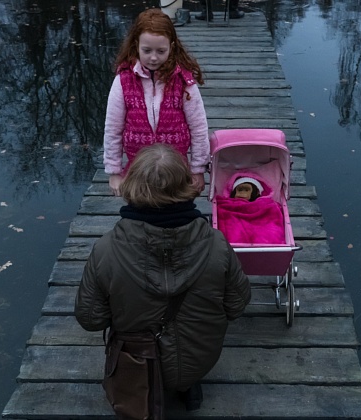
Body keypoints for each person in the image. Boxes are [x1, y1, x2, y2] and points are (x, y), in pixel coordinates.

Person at [75, 144, 252, 412]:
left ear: (132, 186)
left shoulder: (105, 250)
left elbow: (90, 319)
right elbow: (237, 305)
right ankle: (187, 385)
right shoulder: (217, 244)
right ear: (186, 186)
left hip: (138, 361)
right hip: (201, 360)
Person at [103, 9, 208, 197]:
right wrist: (114, 172)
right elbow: (113, 128)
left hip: (176, 170)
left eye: (161, 51)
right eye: (147, 50)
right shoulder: (123, 81)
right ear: (136, 45)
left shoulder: (184, 81)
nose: (153, 57)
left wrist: (198, 168)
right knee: (138, 210)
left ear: (172, 47)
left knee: (179, 208)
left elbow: (198, 127)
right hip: (137, 170)